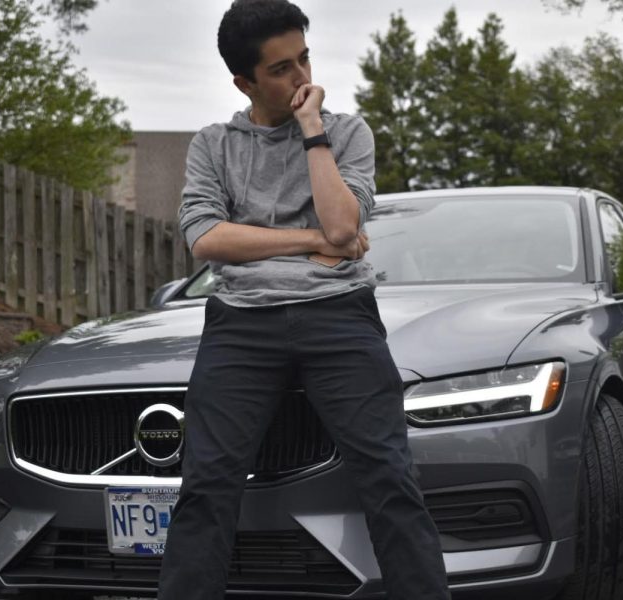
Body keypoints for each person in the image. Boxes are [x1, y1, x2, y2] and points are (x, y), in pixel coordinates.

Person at [157, 1, 451, 599]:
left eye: (305, 58)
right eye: (282, 69)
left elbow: (345, 227)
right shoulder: (214, 145)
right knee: (206, 484)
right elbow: (207, 239)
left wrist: (312, 131)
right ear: (244, 81)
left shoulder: (345, 133)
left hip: (339, 317)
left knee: (390, 478)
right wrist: (310, 239)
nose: (302, 78)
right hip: (241, 324)